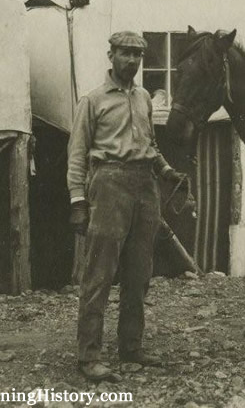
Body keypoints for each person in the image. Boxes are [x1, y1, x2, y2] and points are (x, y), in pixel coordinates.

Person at [68, 31, 186, 381]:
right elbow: (76, 155)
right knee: (99, 273)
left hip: (145, 187)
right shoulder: (92, 100)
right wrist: (77, 200)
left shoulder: (144, 97)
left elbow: (150, 144)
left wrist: (165, 171)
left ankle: (131, 347)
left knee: (139, 271)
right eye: (125, 53)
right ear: (111, 55)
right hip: (109, 185)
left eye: (137, 54)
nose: (132, 60)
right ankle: (88, 356)